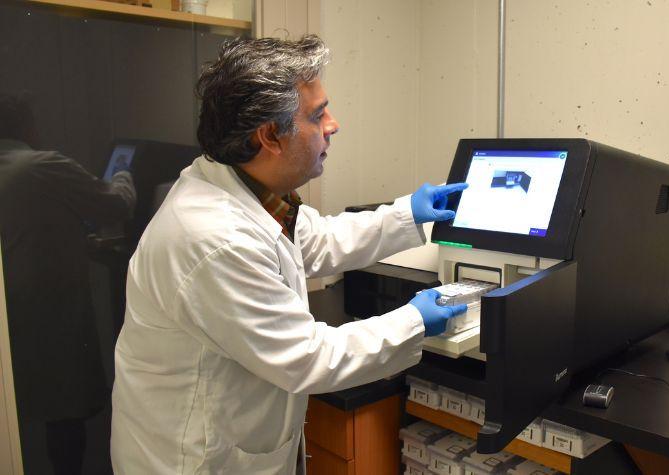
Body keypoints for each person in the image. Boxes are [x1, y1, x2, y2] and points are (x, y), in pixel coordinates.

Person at [110, 35, 467, 474]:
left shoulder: (241, 184)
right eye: (317, 115)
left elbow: (313, 241)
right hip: (195, 459)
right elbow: (308, 357)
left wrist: (404, 215)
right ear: (270, 137)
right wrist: (412, 320)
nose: (333, 124)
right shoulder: (214, 238)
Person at [0, 91, 136, 474]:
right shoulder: (41, 166)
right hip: (49, 317)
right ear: (25, 125)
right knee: (64, 412)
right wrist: (124, 171)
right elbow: (115, 203)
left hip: (14, 318)